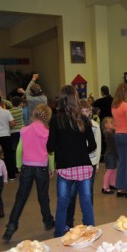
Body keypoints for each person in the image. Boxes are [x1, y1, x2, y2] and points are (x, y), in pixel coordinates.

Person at [47, 85, 96, 237]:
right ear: (76, 99)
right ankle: (91, 232)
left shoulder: (55, 120)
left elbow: (50, 146)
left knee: (63, 203)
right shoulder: (84, 120)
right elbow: (93, 145)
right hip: (84, 166)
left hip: (65, 167)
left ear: (61, 100)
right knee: (86, 202)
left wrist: (63, 150)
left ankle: (60, 233)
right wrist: (81, 152)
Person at [2, 104, 55, 242]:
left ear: (33, 115)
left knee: (20, 198)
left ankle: (11, 226)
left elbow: (19, 150)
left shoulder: (24, 130)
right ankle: (48, 221)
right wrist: (51, 168)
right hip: (41, 168)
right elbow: (50, 153)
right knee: (43, 196)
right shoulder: (48, 133)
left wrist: (19, 165)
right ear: (48, 117)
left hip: (27, 167)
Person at [66, 99, 101, 228]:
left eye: (88, 111)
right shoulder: (74, 126)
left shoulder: (95, 125)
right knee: (71, 194)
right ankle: (68, 222)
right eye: (83, 111)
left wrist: (96, 164)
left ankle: (88, 223)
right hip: (76, 163)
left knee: (87, 195)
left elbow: (98, 146)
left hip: (90, 163)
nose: (86, 113)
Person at [93, 85, 113, 161]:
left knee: (104, 138)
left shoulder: (101, 101)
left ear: (102, 92)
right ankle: (113, 154)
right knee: (111, 137)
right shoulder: (112, 99)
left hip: (104, 121)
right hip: (111, 121)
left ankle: (104, 155)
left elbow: (94, 104)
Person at [101, 117, 117, 194]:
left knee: (113, 170)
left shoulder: (112, 132)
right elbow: (115, 139)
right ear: (106, 125)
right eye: (111, 123)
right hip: (110, 155)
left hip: (113, 154)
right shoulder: (108, 133)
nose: (113, 124)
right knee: (109, 171)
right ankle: (105, 187)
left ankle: (112, 184)